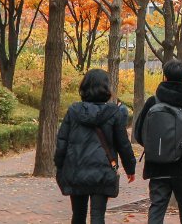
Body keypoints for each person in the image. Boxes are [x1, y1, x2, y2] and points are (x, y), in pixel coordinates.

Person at [54, 69, 136, 224]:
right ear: (106, 88)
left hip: (76, 169)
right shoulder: (114, 113)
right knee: (98, 216)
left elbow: (62, 141)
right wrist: (130, 168)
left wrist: (59, 166)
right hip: (102, 171)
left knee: (78, 215)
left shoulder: (73, 111)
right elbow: (123, 144)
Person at [135, 61, 182, 224]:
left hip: (156, 166)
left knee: (156, 207)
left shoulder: (153, 102)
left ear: (165, 77)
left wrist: (156, 148)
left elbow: (139, 134)